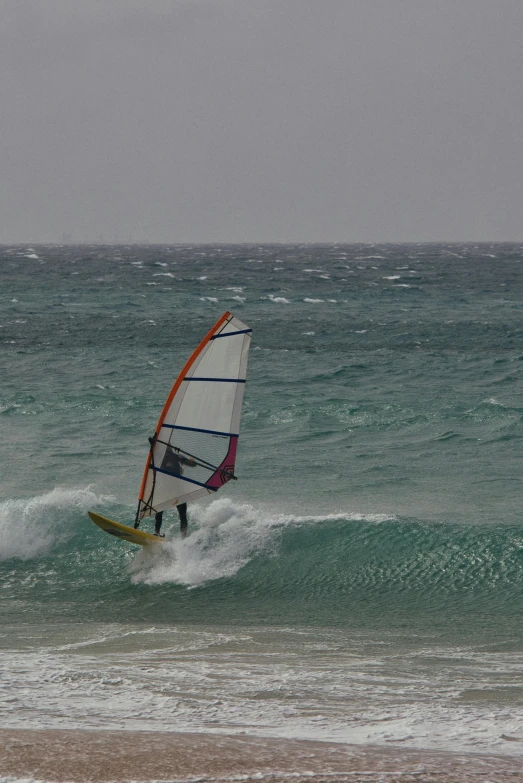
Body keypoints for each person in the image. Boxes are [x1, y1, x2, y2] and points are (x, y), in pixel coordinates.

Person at [154, 445, 196, 538]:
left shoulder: (177, 457)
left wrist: (192, 461)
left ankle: (182, 537)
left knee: (181, 514)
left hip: (176, 490)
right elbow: (193, 464)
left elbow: (193, 464)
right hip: (170, 490)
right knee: (160, 511)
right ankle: (157, 532)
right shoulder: (161, 458)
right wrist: (192, 462)